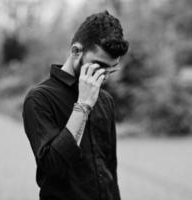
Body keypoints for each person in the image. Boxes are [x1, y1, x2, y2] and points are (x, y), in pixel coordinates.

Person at [22, 10, 129, 200]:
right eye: (99, 66)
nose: (103, 76)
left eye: (110, 70)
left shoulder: (105, 100)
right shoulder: (39, 98)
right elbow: (53, 167)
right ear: (76, 51)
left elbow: (110, 166)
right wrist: (83, 105)